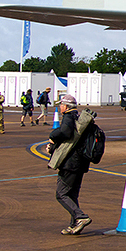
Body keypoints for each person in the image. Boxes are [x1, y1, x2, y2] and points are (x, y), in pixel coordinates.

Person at [46, 93, 92, 235]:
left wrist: (53, 136)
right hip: (80, 163)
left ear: (66, 106)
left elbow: (65, 132)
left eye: (61, 104)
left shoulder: (68, 117)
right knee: (72, 195)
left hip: (70, 163)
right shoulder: (79, 118)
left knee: (61, 194)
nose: (60, 107)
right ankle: (74, 225)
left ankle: (80, 217)